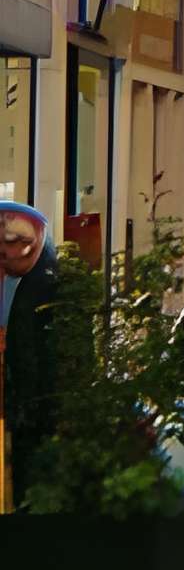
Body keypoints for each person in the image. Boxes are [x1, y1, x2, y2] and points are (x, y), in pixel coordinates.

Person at [0, 201, 59, 512]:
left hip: (32, 408)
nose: (6, 254)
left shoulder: (43, 284)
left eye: (12, 244)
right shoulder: (20, 280)